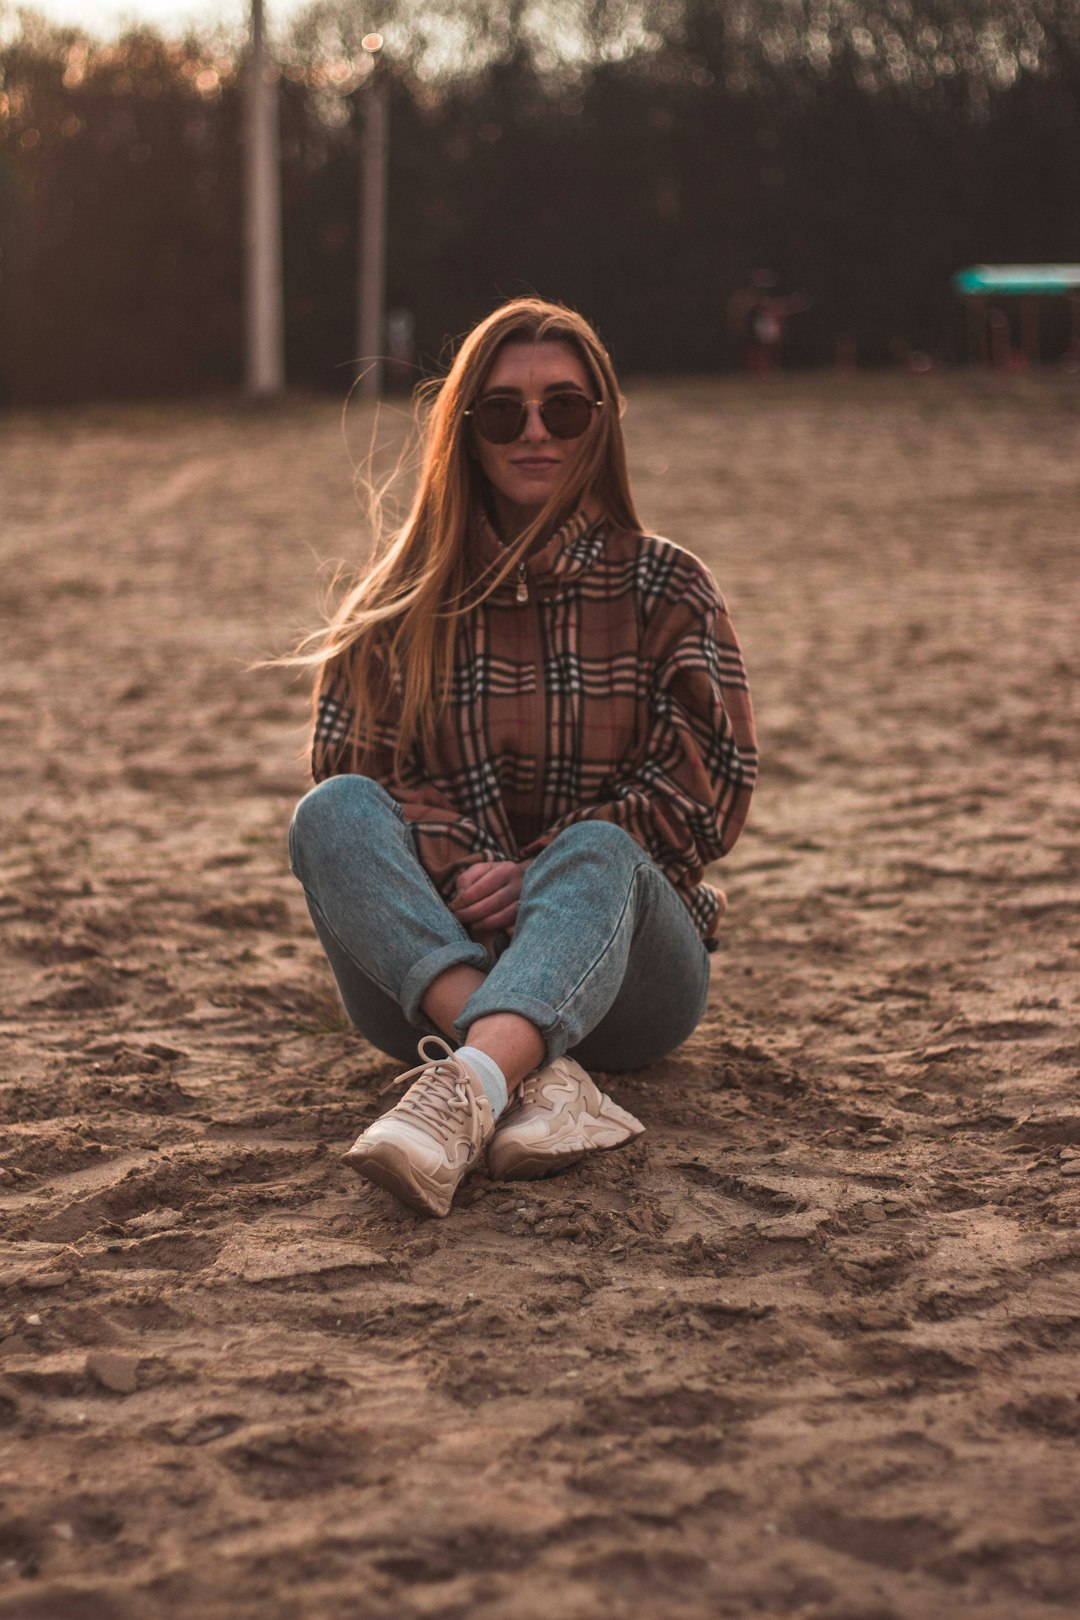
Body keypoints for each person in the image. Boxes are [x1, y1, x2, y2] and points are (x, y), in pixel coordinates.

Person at [288, 297, 757, 1219]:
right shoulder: (402, 600)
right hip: (426, 973)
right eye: (503, 411)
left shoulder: (669, 585)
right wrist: (464, 864)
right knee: (330, 810)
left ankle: (460, 1091)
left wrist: (540, 872)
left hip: (635, 988)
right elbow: (357, 764)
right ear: (464, 433)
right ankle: (525, 1080)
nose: (534, 431)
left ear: (600, 421)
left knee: (597, 848)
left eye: (564, 408)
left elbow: (712, 796)